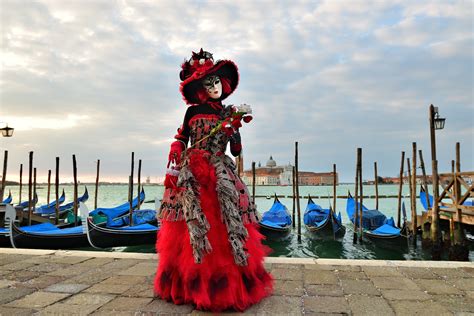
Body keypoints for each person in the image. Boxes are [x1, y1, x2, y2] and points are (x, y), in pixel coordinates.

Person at [154, 49, 273, 312]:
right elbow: (182, 137)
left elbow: (237, 151)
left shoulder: (229, 113)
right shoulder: (192, 112)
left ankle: (225, 284)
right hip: (194, 174)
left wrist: (235, 131)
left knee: (226, 224)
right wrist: (176, 147)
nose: (215, 87)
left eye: (217, 81)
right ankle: (192, 283)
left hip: (220, 174)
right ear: (200, 89)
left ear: (224, 83)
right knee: (193, 225)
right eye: (209, 83)